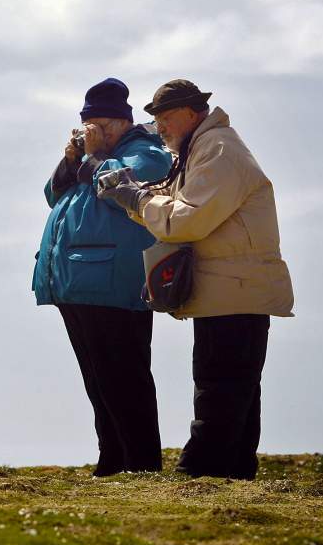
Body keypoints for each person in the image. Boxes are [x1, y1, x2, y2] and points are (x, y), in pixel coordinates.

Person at [98, 79, 294, 480]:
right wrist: (142, 195)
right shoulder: (205, 147)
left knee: (219, 387)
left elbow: (186, 220)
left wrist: (135, 197)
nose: (162, 127)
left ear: (193, 113)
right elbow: (181, 208)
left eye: (167, 118)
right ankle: (235, 474)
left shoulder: (217, 149)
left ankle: (199, 475)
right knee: (236, 390)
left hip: (232, 289)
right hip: (234, 288)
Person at [33, 78, 173, 476]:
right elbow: (53, 195)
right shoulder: (92, 159)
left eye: (104, 126)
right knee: (98, 379)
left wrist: (94, 156)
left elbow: (124, 191)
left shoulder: (146, 152)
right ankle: (112, 460)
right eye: (89, 126)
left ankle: (141, 464)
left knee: (124, 376)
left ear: (123, 123)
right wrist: (71, 159)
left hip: (113, 282)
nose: (96, 133)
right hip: (76, 281)